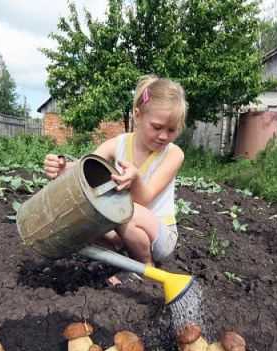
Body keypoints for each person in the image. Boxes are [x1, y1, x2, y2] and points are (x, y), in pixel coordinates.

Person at [43, 75, 187, 285]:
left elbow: (144, 199)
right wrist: (63, 168)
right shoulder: (117, 144)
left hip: (160, 236)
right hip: (125, 226)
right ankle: (116, 264)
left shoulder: (173, 154)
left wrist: (136, 179)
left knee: (125, 211)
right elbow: (85, 168)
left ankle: (146, 268)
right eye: (157, 127)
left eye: (171, 130)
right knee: (89, 218)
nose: (164, 136)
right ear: (137, 116)